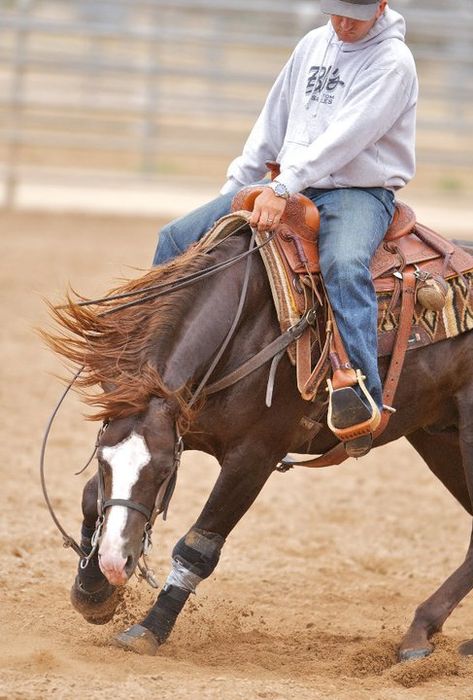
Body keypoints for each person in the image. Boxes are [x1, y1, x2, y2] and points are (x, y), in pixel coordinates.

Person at [152, 0, 418, 456]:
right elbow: (271, 124)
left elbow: (347, 137)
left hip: (355, 191)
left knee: (344, 262)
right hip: (287, 181)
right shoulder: (314, 43)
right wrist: (235, 190)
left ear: (381, 7)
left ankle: (360, 391)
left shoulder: (393, 62)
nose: (341, 23)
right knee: (176, 237)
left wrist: (284, 184)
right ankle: (151, 362)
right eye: (334, 11)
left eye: (353, 14)